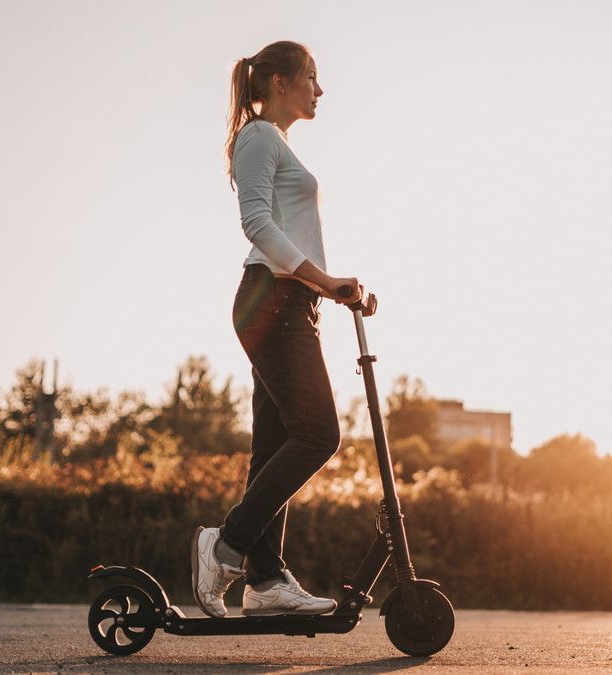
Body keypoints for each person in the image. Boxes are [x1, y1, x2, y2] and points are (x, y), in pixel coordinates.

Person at [191, 41, 372, 618]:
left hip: (291, 302)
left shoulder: (278, 142)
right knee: (319, 435)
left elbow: (287, 228)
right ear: (277, 82)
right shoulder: (260, 135)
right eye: (311, 78)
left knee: (274, 445)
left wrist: (329, 290)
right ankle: (225, 545)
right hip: (274, 301)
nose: (319, 90)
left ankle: (265, 581)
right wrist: (323, 279)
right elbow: (257, 223)